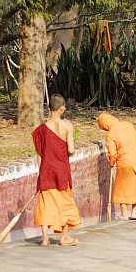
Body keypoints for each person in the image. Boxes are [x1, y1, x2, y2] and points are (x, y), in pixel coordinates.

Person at [32, 94, 81, 246]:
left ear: (49, 108)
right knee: (65, 203)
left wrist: (41, 175)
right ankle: (64, 237)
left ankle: (45, 239)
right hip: (61, 171)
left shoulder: (41, 129)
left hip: (47, 171)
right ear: (61, 108)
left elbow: (39, 155)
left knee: (46, 204)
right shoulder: (67, 126)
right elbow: (71, 150)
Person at [97, 112, 136, 220]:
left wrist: (111, 164)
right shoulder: (128, 124)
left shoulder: (110, 135)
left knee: (122, 189)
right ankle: (134, 213)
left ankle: (124, 214)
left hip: (125, 164)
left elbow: (113, 154)